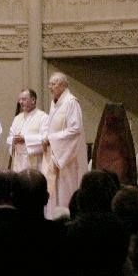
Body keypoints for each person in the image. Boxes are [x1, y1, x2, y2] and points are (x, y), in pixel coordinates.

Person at [42, 72, 87, 217]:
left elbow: (75, 130)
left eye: (54, 84)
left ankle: (66, 219)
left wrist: (52, 139)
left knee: (65, 190)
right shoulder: (55, 103)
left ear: (63, 85)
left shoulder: (71, 102)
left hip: (67, 158)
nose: (50, 87)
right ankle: (53, 217)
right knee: (54, 191)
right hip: (55, 153)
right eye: (50, 84)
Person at [6, 88, 49, 171]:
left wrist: (25, 139)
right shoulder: (17, 118)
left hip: (35, 162)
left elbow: (45, 139)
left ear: (33, 100)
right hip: (18, 161)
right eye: (20, 100)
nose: (20, 102)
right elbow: (9, 137)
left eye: (24, 99)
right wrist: (14, 140)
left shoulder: (43, 117)